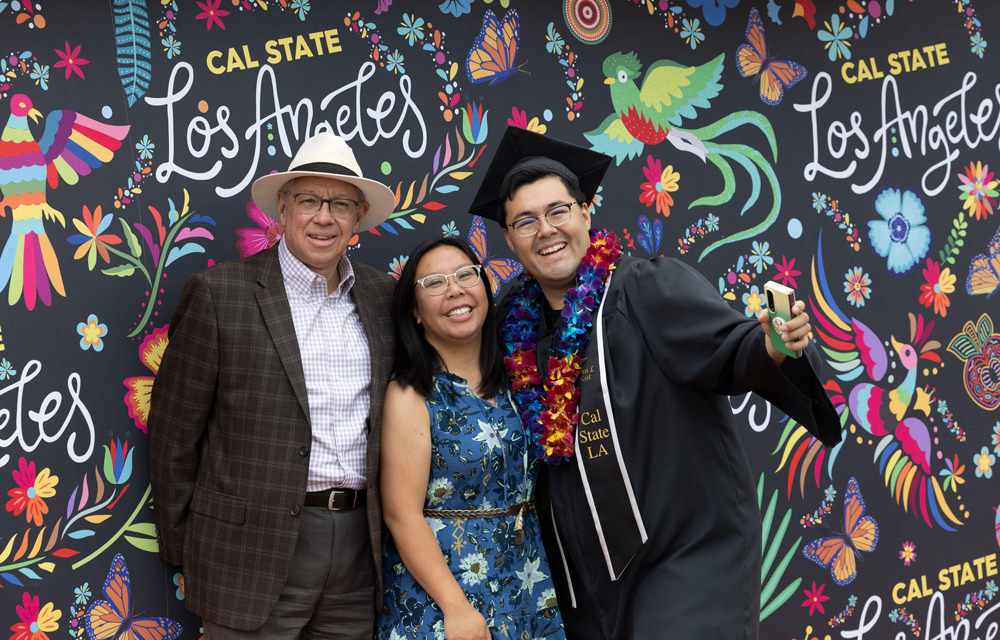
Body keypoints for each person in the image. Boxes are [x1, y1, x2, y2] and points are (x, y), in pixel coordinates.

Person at [468, 126, 843, 640]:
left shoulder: (645, 287)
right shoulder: (512, 324)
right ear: (509, 239)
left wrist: (774, 344)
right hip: (582, 578)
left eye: (557, 211)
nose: (545, 230)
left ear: (585, 212)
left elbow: (729, 348)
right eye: (525, 221)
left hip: (686, 554)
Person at [148, 132, 396, 638]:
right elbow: (174, 435)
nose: (323, 217)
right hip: (246, 557)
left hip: (358, 555)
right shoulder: (220, 294)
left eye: (340, 205)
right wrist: (185, 547)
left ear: (358, 217)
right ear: (282, 208)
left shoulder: (383, 296)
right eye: (309, 200)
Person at [377, 237, 565, 640]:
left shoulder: (519, 380)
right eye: (434, 282)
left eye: (466, 275)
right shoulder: (411, 395)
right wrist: (455, 606)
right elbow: (401, 515)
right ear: (414, 309)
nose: (455, 290)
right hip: (444, 591)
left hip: (525, 578)